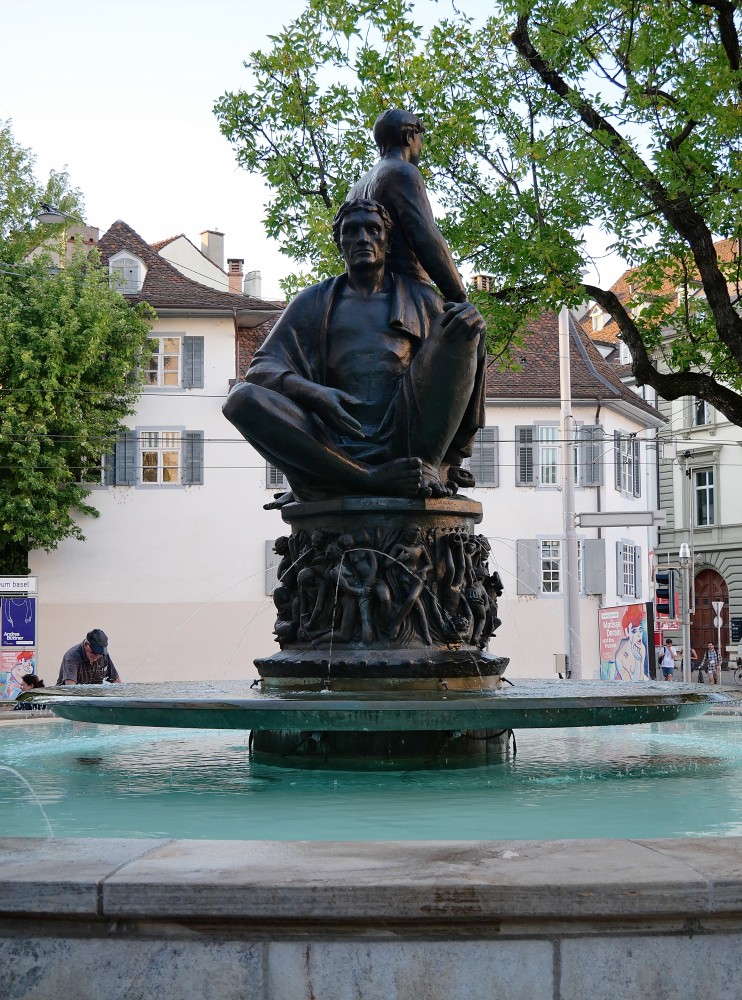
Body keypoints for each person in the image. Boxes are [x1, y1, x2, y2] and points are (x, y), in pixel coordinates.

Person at [223, 198, 487, 501]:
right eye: (351, 231)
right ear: (340, 244)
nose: (363, 238)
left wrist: (472, 322)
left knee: (465, 324)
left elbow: (457, 368)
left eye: (373, 230)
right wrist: (315, 394)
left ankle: (426, 466)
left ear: (388, 242)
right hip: (332, 443)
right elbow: (260, 370)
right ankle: (365, 477)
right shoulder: (312, 302)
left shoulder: (421, 298)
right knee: (240, 399)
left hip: (408, 438)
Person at [56, 629, 121, 686]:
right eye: (94, 653)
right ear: (86, 644)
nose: (97, 657)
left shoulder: (104, 655)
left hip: (93, 695)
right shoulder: (72, 657)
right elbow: (70, 687)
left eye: (100, 654)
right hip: (68, 695)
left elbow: (117, 681)